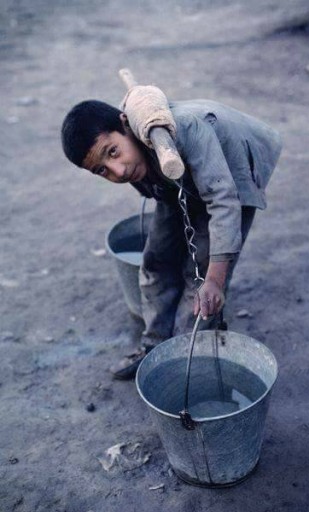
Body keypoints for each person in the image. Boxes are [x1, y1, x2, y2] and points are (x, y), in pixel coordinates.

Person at [61, 97, 282, 379]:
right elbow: (155, 192)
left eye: (113, 152)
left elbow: (223, 202)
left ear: (125, 125)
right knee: (156, 260)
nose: (118, 171)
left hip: (232, 164)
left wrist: (215, 279)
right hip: (173, 176)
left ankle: (185, 357)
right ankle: (153, 346)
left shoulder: (186, 130)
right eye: (102, 170)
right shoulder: (136, 159)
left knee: (200, 276)